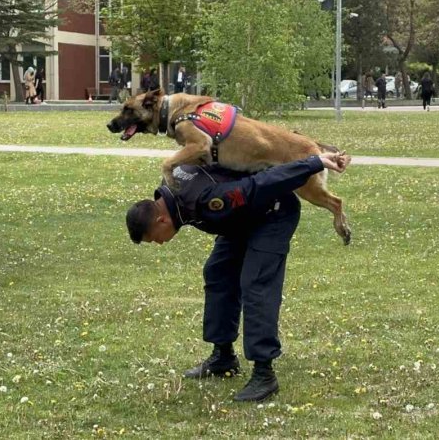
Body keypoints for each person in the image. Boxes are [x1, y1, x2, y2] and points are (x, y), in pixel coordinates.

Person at [125, 152, 349, 402]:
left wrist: (313, 163)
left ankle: (264, 373)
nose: (159, 243)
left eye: (155, 237)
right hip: (240, 218)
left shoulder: (206, 198)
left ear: (161, 219)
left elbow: (262, 183)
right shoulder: (172, 186)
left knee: (257, 284)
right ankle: (223, 357)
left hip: (273, 212)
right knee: (218, 273)